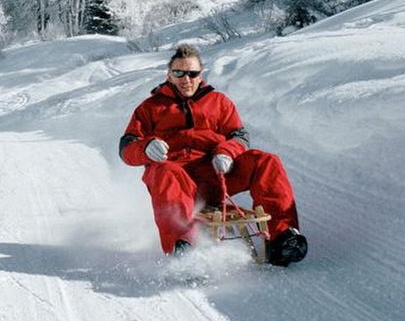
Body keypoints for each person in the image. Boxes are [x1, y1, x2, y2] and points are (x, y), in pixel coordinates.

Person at [119, 42, 307, 266]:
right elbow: (127, 148)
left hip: (217, 175)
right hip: (175, 179)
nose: (185, 79)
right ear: (169, 75)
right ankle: (184, 248)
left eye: (192, 73)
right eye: (179, 72)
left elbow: (239, 136)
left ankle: (283, 238)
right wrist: (146, 147)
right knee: (165, 171)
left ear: (201, 75)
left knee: (266, 161)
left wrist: (227, 152)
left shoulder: (219, 102)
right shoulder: (150, 108)